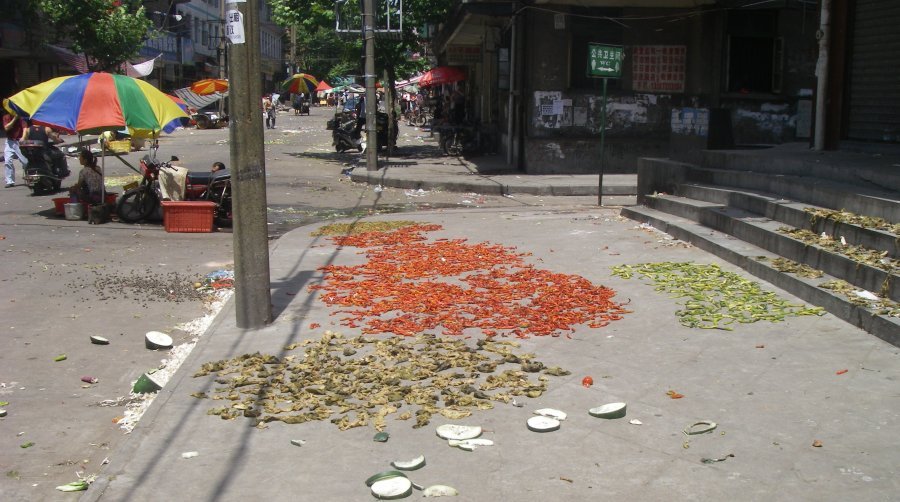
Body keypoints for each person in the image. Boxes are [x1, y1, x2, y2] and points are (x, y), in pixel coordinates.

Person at [2, 111, 27, 187]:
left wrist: (23, 137)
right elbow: (6, 128)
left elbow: (25, 128)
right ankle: (10, 181)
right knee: (7, 161)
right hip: (10, 142)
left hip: (19, 142)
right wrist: (15, 119)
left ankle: (28, 177)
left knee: (25, 162)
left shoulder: (22, 117)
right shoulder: (6, 117)